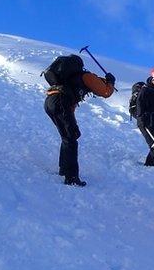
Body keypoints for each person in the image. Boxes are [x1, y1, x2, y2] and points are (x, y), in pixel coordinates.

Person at [44, 55, 115, 187]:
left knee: (67, 136)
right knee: (71, 137)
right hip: (61, 102)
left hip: (50, 101)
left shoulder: (67, 79)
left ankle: (64, 170)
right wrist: (110, 82)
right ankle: (71, 177)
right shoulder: (85, 76)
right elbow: (105, 92)